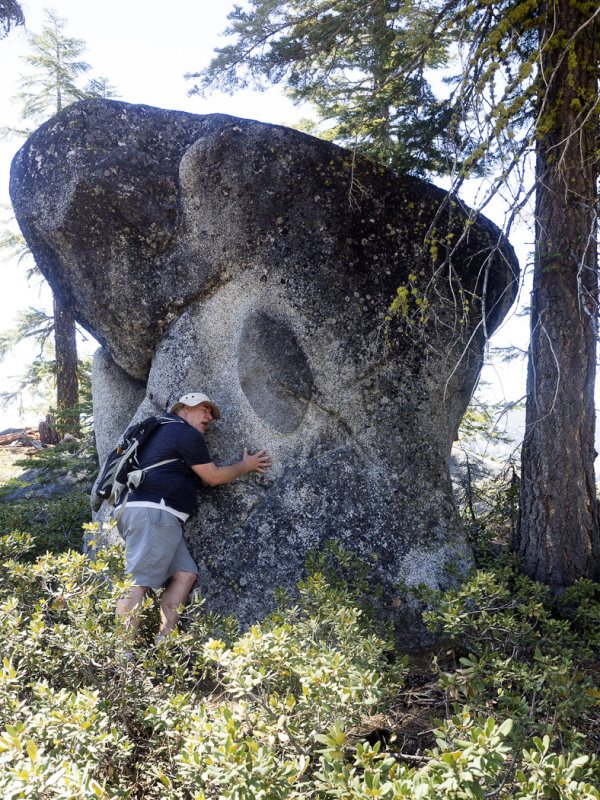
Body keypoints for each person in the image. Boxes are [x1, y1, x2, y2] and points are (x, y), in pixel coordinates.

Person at [114, 391, 271, 648]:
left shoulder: (158, 430)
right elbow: (213, 477)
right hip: (155, 513)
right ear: (185, 408)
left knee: (185, 573)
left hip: (142, 513)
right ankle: (120, 654)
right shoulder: (185, 433)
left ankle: (163, 645)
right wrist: (247, 465)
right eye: (204, 409)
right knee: (138, 581)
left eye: (211, 413)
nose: (209, 416)